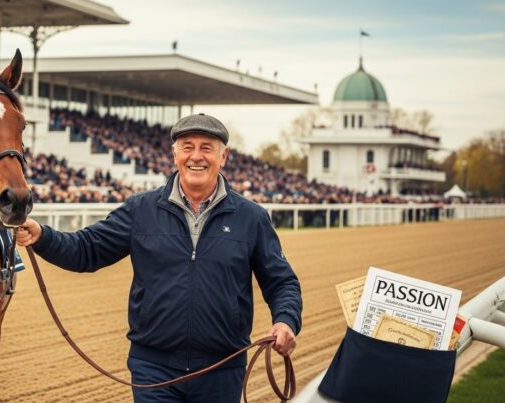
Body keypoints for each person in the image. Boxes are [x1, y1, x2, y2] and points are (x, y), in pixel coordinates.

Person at [17, 113, 302, 403]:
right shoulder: (140, 210)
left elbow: (281, 282)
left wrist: (286, 321)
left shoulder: (250, 217)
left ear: (224, 156)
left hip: (222, 370)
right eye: (187, 146)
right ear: (174, 153)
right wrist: (43, 235)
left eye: (207, 147)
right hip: (153, 369)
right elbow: (87, 250)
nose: (196, 156)